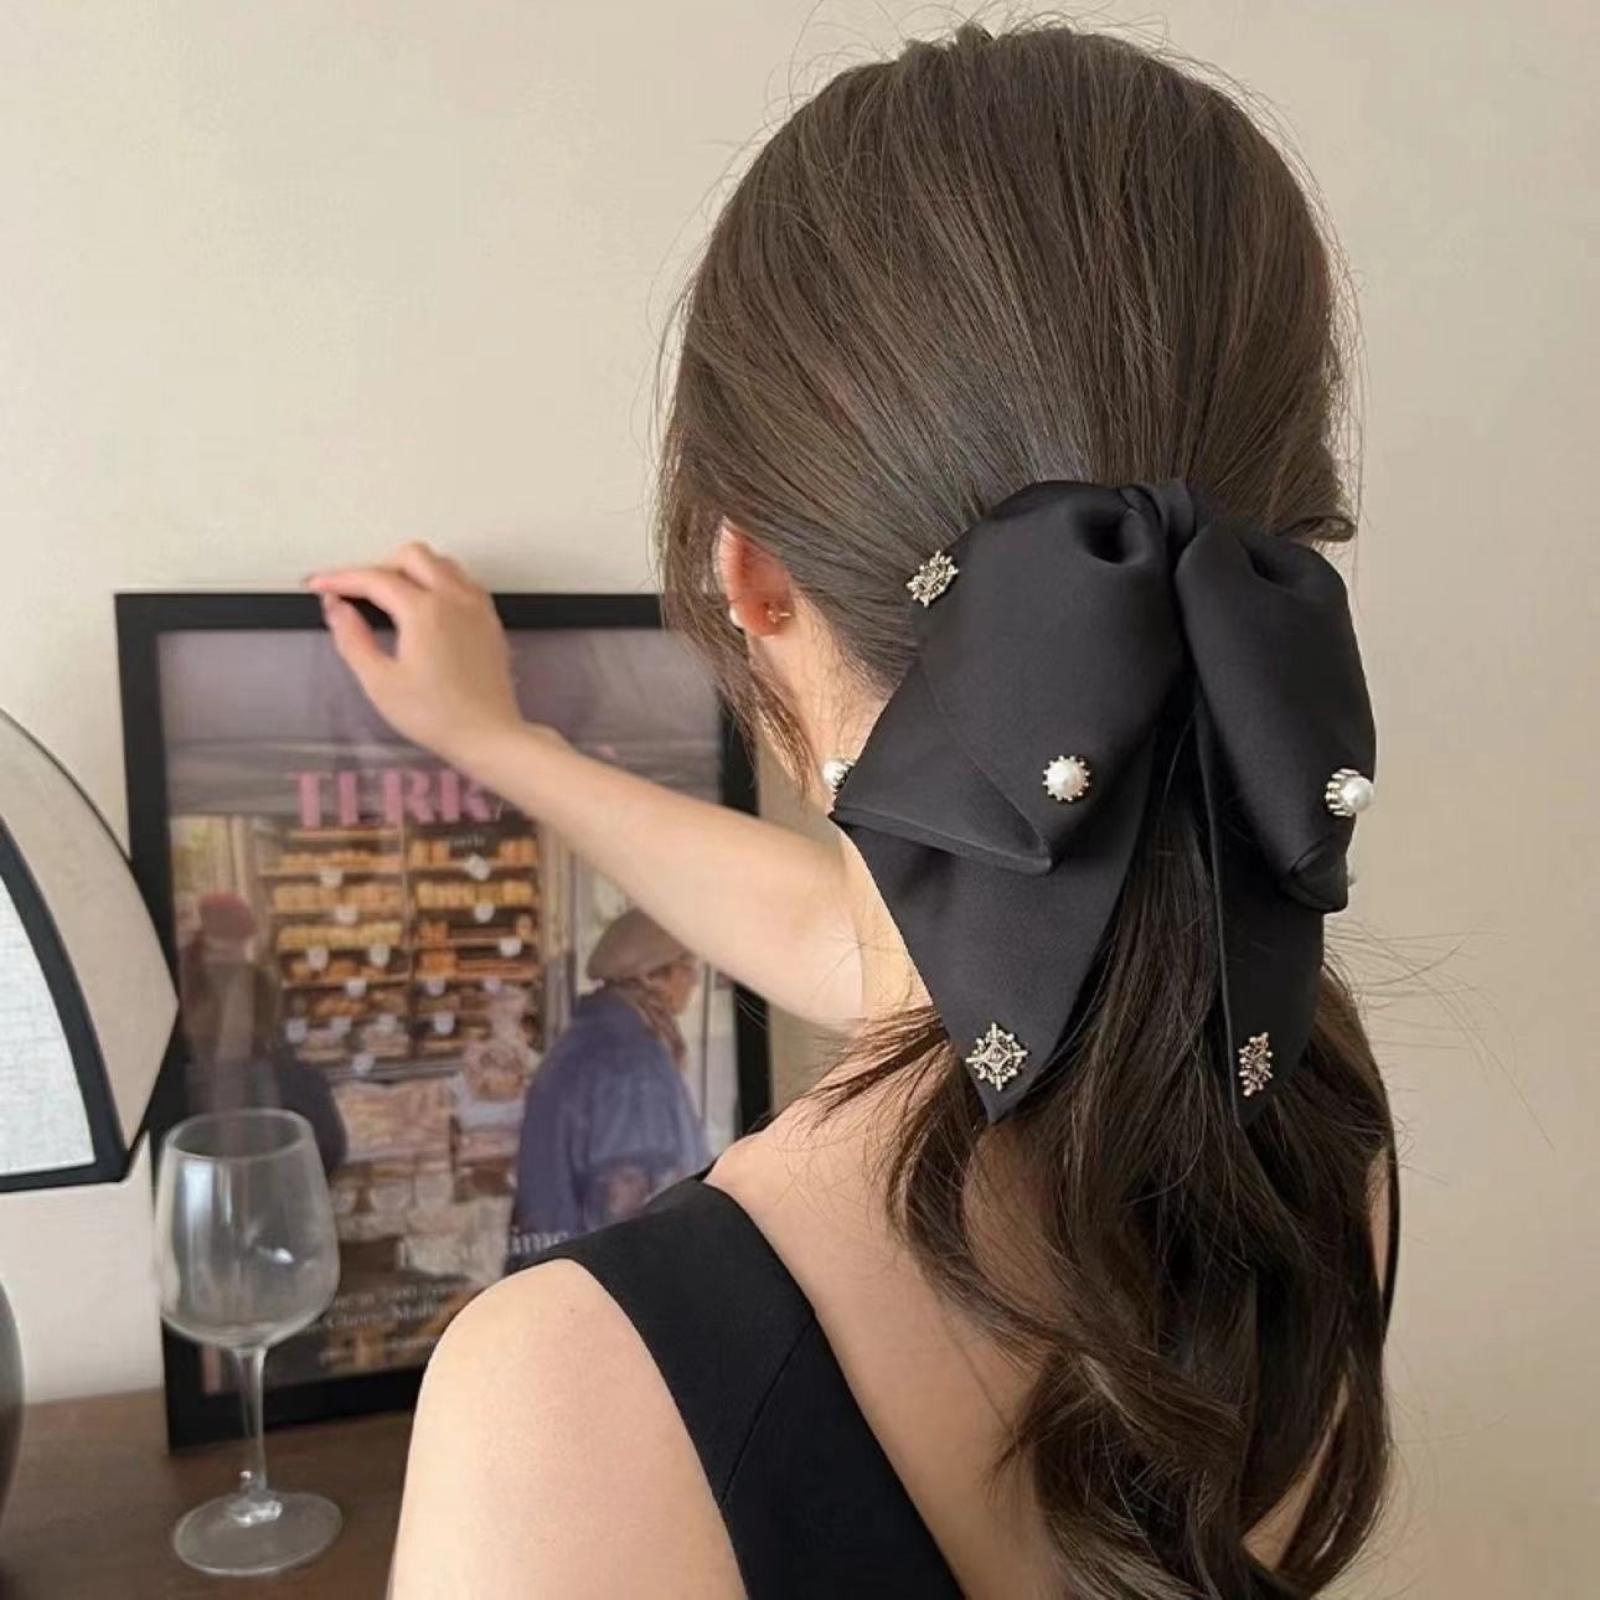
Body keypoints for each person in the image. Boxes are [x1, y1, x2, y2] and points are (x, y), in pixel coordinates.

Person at [311, 22, 1400, 1598]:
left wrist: (486, 734)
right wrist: (500, 742)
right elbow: (872, 939)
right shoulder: (1314, 1138)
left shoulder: (572, 1402)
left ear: (749, 579)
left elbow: (888, 944)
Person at [509, 909, 709, 1254]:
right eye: (687, 965)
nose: (694, 980)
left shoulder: (589, 1038)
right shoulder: (630, 1063)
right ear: (653, 976)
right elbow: (626, 1212)